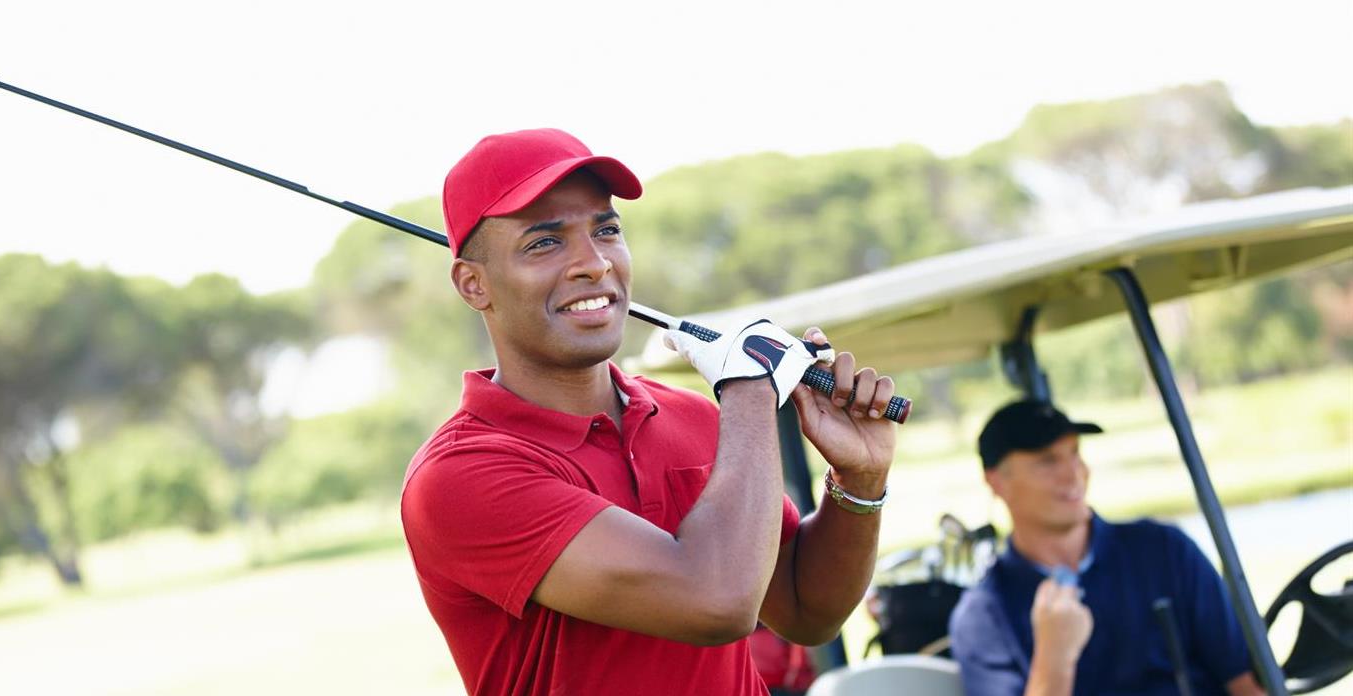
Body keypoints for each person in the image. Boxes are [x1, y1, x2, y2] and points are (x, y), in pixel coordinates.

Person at [400, 128, 900, 695]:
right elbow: (716, 600)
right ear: (473, 284)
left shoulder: (696, 419)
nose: (593, 264)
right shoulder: (460, 476)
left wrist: (859, 480)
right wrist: (748, 388)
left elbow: (806, 609)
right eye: (544, 242)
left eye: (606, 230)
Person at [948, 400, 1266, 696]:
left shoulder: (1166, 550)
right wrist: (1054, 659)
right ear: (996, 482)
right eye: (1047, 461)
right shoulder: (982, 618)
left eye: (1074, 452)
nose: (1074, 473)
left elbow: (1244, 684)